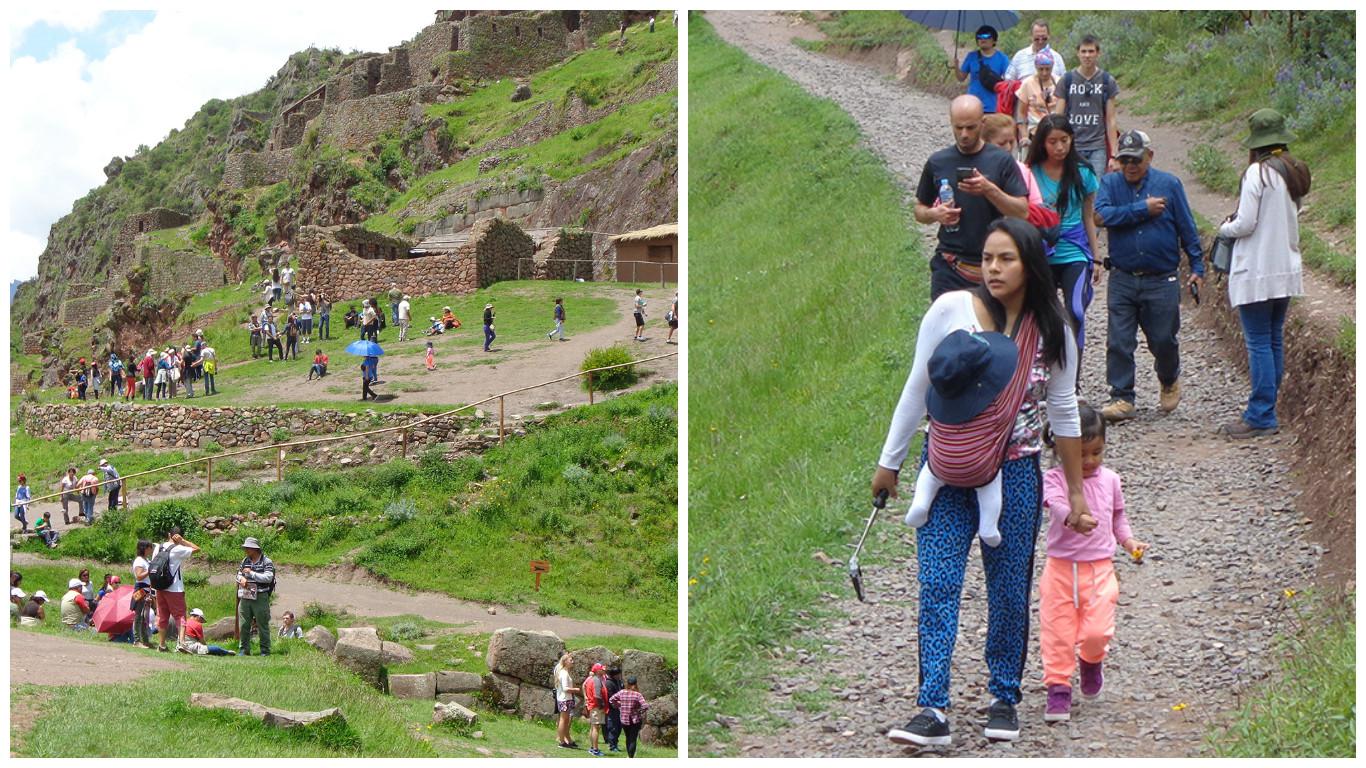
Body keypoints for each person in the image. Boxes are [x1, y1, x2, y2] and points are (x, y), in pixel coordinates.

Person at [875, 218, 1087, 746]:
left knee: (1009, 588)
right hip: (945, 470)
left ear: (1030, 263)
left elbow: (1063, 410)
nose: (993, 268)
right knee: (938, 582)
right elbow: (916, 387)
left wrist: (1076, 491)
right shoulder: (949, 311)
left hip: (1016, 472)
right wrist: (890, 461)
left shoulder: (1053, 329)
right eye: (988, 258)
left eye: (1006, 259)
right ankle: (933, 708)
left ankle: (1004, 697)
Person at [1039, 405, 1147, 721]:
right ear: (1061, 450)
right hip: (1060, 568)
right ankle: (1058, 687)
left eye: (1096, 453)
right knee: (1057, 632)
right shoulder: (1054, 478)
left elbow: (1118, 517)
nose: (1089, 461)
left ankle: (1091, 659)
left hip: (1100, 568)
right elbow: (1055, 506)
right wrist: (1074, 516)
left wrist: (1129, 542)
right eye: (1081, 454)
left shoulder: (1111, 480)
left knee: (1097, 630)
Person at [1094, 130, 1203, 421]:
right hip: (1122, 276)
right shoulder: (1109, 183)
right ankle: (1121, 396)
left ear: (1149, 157)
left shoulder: (1169, 185)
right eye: (1124, 159)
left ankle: (1168, 378)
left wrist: (1197, 267)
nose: (1130, 166)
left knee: (1163, 339)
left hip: (1161, 278)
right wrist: (1142, 210)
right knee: (1119, 340)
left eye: (1136, 159)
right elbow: (1100, 217)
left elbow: (1187, 228)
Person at [1217, 108, 1307, 438]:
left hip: (1256, 269)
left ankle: (1261, 413)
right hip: (1285, 268)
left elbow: (1246, 223)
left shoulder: (1258, 173)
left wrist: (1224, 229)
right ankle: (1267, 408)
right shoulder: (1292, 171)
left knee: (1257, 342)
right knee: (1273, 339)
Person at [915, 95, 1029, 299]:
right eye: (958, 128)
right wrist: (935, 213)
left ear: (982, 123)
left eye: (970, 127)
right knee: (949, 330)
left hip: (992, 265)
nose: (964, 134)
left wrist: (989, 190)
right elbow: (919, 211)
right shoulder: (937, 162)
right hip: (949, 265)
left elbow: (1022, 211)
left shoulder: (1001, 161)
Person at [1026, 114, 1101, 375]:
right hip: (1042, 253)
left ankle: (1073, 377)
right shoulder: (1030, 173)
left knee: (1076, 312)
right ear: (1042, 144)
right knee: (1040, 316)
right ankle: (1041, 371)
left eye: (1065, 140)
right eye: (1053, 142)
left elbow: (1088, 215)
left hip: (1075, 251)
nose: (1059, 147)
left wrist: (1097, 256)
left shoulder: (1084, 173)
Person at [1054, 35, 1119, 177]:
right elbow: (1058, 118)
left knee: (1096, 189)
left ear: (1098, 53)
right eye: (1083, 51)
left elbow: (1111, 119)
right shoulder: (1067, 80)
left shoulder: (1107, 81)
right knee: (1073, 189)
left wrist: (1114, 154)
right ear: (1077, 53)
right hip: (1072, 145)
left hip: (1097, 146)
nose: (1087, 55)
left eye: (1091, 51)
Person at [154, 527, 199, 652]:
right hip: (174, 588)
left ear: (169, 534)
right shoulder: (178, 549)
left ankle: (162, 645)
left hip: (159, 587)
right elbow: (197, 549)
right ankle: (181, 643)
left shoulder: (158, 547)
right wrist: (183, 541)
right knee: (180, 615)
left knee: (162, 616)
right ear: (179, 536)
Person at [955, 25, 1009, 114]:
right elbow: (961, 78)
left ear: (994, 40)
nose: (983, 39)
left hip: (993, 106)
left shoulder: (1002, 58)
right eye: (979, 37)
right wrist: (956, 66)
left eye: (987, 36)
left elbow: (1009, 80)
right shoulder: (971, 56)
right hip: (973, 105)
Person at [1015, 50, 1060, 149]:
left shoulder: (1060, 82)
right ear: (1036, 67)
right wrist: (1024, 136)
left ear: (1052, 67)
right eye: (1041, 69)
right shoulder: (1027, 83)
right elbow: (1021, 113)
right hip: (1035, 131)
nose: (1044, 73)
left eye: (1048, 69)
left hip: (1056, 131)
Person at [608, 675, 650, 758]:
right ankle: (631, 757)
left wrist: (618, 705)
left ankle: (628, 756)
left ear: (627, 683)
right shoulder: (638, 695)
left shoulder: (622, 692)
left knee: (628, 738)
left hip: (624, 720)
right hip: (635, 720)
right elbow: (645, 706)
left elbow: (611, 699)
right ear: (636, 684)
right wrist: (639, 711)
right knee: (633, 739)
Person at [553, 652, 581, 749]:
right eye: (570, 660)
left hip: (566, 699)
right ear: (565, 662)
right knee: (563, 720)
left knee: (565, 720)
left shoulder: (563, 672)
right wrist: (576, 690)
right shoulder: (564, 673)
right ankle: (561, 741)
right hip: (565, 699)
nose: (572, 661)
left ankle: (566, 740)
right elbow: (565, 688)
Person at [583, 662, 611, 756]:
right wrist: (601, 706)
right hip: (596, 707)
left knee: (593, 727)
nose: (604, 670)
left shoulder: (594, 679)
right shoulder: (597, 680)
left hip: (593, 706)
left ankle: (592, 748)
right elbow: (597, 695)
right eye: (602, 669)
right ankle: (595, 749)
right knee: (596, 727)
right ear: (597, 670)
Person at [132, 539, 155, 648]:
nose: (151, 549)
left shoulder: (146, 560)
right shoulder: (139, 561)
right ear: (144, 548)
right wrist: (150, 570)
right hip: (141, 590)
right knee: (138, 616)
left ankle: (145, 640)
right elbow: (139, 576)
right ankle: (137, 641)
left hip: (147, 590)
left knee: (144, 617)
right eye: (150, 547)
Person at [603, 666, 624, 752]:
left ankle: (615, 743)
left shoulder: (618, 682)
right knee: (613, 727)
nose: (619, 676)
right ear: (614, 674)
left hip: (619, 708)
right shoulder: (609, 683)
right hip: (612, 708)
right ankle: (612, 745)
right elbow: (610, 697)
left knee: (619, 727)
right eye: (618, 674)